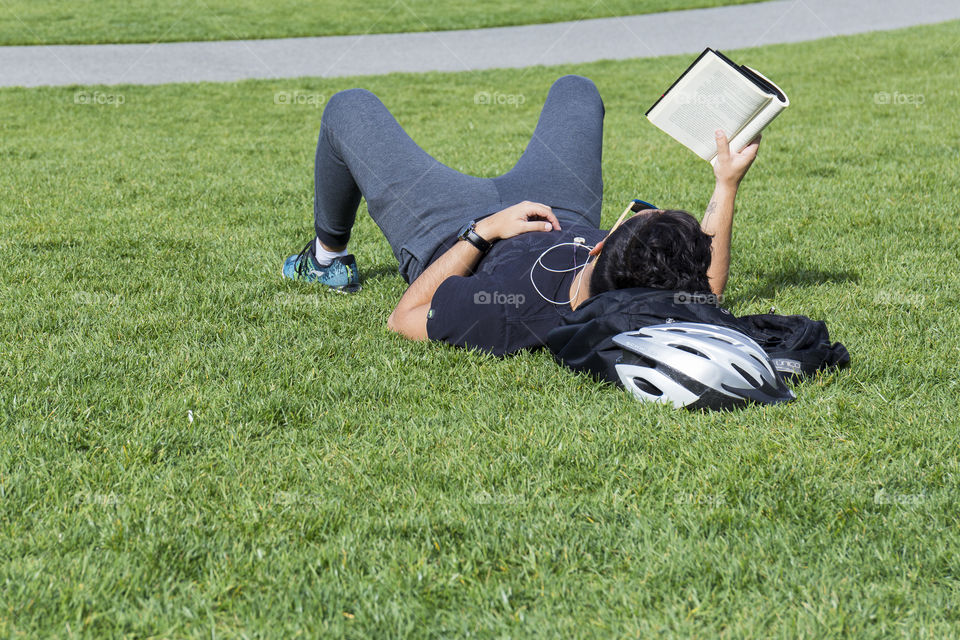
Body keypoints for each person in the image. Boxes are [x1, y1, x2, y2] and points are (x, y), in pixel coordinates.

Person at [282, 75, 761, 355]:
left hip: (453, 226)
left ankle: (327, 259)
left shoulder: (512, 311)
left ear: (601, 246)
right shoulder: (647, 292)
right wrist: (726, 182)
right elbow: (706, 288)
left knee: (350, 106)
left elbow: (403, 316)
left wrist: (482, 232)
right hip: (559, 209)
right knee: (576, 89)